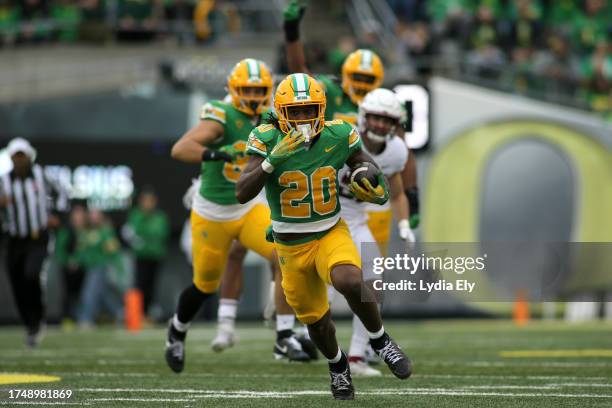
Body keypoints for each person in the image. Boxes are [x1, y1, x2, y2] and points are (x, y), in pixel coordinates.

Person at [237, 73, 411, 400]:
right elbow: (242, 192)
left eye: (309, 110)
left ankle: (381, 340)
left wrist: (367, 179)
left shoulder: (339, 133)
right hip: (290, 245)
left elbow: (366, 166)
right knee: (318, 324)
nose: (303, 118)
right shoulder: (265, 137)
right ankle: (338, 365)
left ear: (322, 109)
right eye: (296, 111)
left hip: (331, 230)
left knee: (349, 279)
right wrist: (272, 162)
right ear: (280, 110)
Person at [165, 58, 311, 375]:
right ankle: (177, 331)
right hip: (213, 212)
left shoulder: (272, 116)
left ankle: (284, 333)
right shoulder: (221, 115)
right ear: (234, 89)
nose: (255, 96)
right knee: (204, 285)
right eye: (248, 89)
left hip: (248, 207)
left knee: (284, 256)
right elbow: (180, 149)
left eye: (260, 90)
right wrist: (218, 152)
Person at [337, 88, 412, 377]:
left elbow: (397, 192)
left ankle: (357, 355)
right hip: (324, 214)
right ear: (364, 116)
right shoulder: (342, 137)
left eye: (387, 119)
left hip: (355, 219)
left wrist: (404, 225)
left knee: (374, 280)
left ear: (395, 123)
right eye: (376, 118)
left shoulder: (396, 151)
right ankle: (291, 333)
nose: (380, 124)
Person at [0, 137, 67, 347]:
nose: (19, 160)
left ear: (29, 157)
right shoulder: (3, 181)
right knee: (17, 283)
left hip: (38, 237)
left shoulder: (41, 175)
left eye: (22, 156)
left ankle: (37, 318)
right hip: (14, 239)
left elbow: (63, 192)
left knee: (31, 275)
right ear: (11, 158)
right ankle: (30, 323)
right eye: (15, 156)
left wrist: (56, 215)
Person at [122, 187, 169, 320]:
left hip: (155, 256)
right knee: (139, 284)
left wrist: (144, 235)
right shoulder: (136, 215)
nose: (148, 203)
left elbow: (160, 233)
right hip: (140, 256)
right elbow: (130, 232)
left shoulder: (160, 216)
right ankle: (137, 314)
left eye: (150, 200)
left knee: (152, 286)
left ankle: (148, 314)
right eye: (145, 201)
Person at [76, 208, 123, 328]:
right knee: (104, 294)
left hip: (101, 267)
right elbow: (82, 251)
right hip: (89, 268)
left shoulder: (106, 232)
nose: (94, 217)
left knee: (90, 292)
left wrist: (116, 267)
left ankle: (86, 319)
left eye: (96, 215)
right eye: (92, 215)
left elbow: (113, 250)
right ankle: (121, 314)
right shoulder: (85, 232)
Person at [54, 202, 87, 325]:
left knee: (84, 293)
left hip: (85, 267)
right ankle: (67, 318)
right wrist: (69, 261)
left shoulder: (88, 229)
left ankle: (81, 317)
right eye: (76, 213)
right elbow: (60, 249)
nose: (79, 216)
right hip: (69, 268)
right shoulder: (66, 230)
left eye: (81, 213)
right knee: (69, 293)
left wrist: (81, 260)